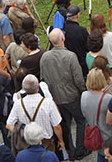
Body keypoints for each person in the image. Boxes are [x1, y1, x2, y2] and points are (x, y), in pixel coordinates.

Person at [40, 28, 89, 160]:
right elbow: (78, 79)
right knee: (80, 121)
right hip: (72, 96)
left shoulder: (45, 56)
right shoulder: (70, 56)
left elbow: (43, 78)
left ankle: (71, 151)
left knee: (64, 124)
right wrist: (82, 90)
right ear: (63, 39)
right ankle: (79, 149)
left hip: (56, 98)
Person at [6, 74, 64, 152]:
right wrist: (61, 140)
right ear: (37, 87)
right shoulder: (48, 103)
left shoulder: (18, 104)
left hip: (27, 143)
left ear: (24, 89)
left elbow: (9, 125)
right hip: (46, 141)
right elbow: (57, 126)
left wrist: (22, 133)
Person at [81, 68, 112, 162]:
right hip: (107, 134)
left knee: (101, 155)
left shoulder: (84, 95)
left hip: (93, 133)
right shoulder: (108, 98)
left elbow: (84, 113)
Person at [63, 4, 89, 77]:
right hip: (81, 65)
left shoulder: (61, 30)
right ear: (78, 15)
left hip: (65, 65)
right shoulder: (82, 31)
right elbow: (89, 47)